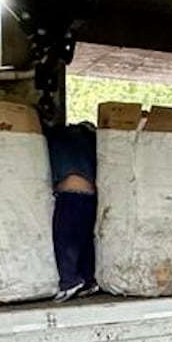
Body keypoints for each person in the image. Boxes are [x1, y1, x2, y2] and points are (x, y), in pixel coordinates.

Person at [46, 122, 99, 301]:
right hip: (90, 196)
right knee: (85, 240)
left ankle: (69, 281)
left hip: (70, 195)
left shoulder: (55, 140)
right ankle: (89, 280)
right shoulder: (87, 143)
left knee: (64, 239)